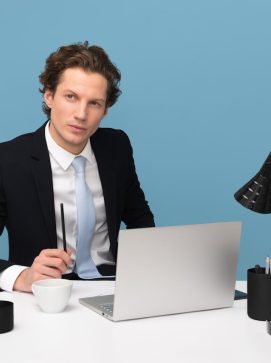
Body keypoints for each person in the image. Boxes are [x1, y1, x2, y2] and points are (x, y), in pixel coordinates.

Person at [0, 41, 154, 293]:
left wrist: (149, 270)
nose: (81, 114)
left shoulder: (116, 146)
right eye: (71, 97)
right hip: (45, 292)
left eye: (94, 103)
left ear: (105, 110)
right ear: (49, 96)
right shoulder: (7, 160)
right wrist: (22, 277)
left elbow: (140, 217)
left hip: (113, 286)